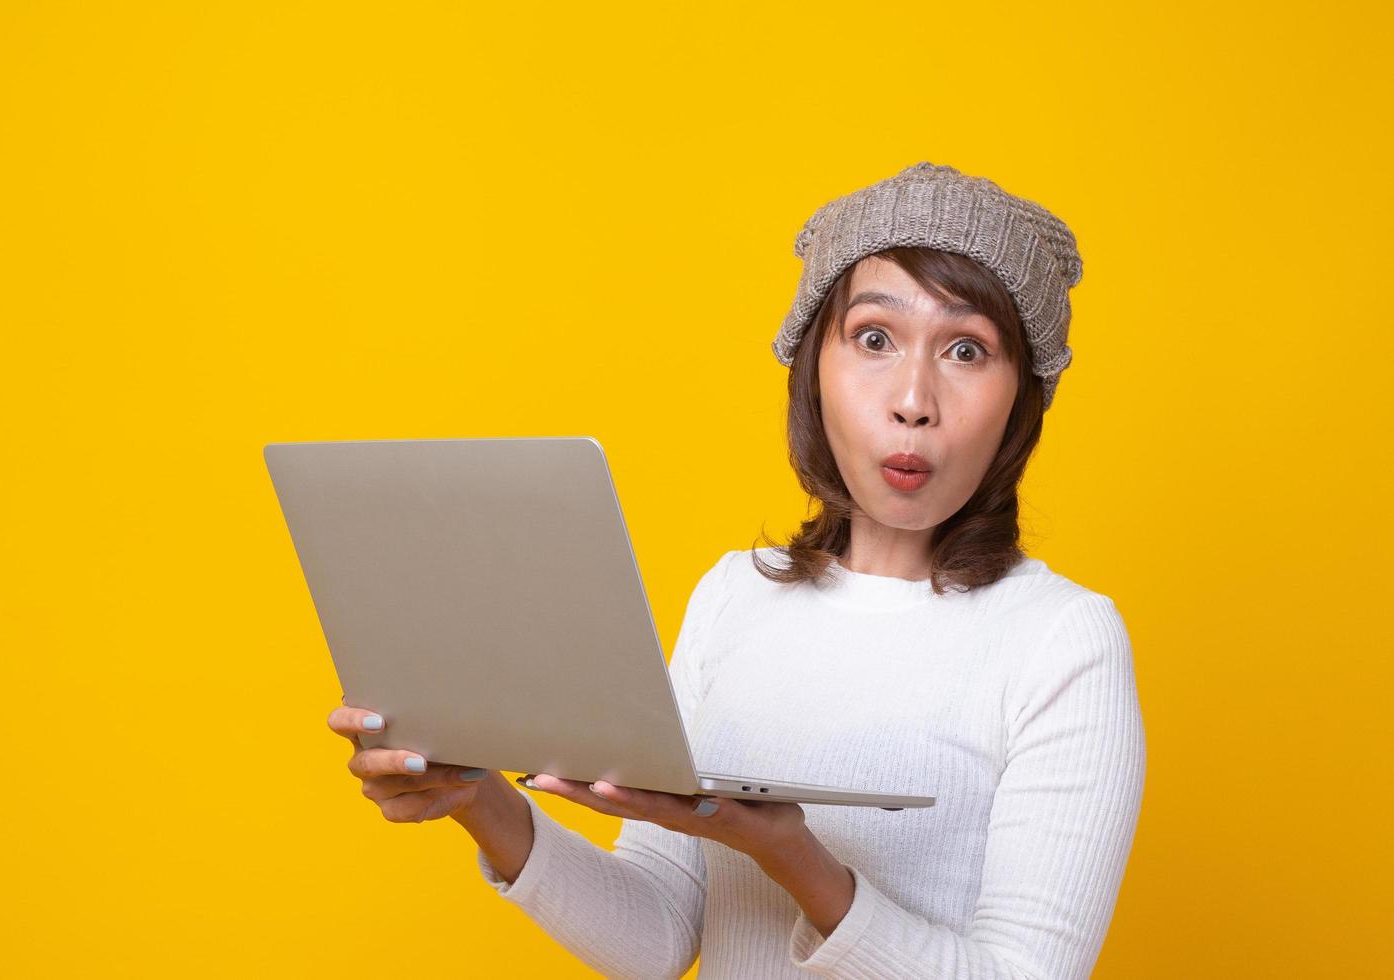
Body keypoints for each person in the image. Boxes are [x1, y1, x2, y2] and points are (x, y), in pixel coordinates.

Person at [326, 162, 1147, 979]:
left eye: (967, 350)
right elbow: (656, 935)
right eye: (874, 338)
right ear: (812, 369)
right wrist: (481, 800)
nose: (912, 398)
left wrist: (795, 858)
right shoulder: (735, 596)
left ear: (1021, 402)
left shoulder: (1061, 641)